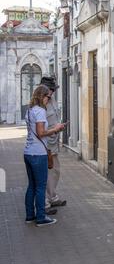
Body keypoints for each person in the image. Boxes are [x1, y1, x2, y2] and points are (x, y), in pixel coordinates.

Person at [24, 85, 65, 226]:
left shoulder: (29, 111)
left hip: (28, 152)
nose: (49, 99)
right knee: (41, 186)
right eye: (48, 96)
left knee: (32, 186)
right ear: (42, 96)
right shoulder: (40, 111)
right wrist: (55, 129)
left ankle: (30, 215)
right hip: (38, 153)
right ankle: (41, 217)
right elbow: (41, 133)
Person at [40, 76, 67, 211]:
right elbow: (39, 129)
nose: (52, 92)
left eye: (53, 89)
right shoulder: (40, 104)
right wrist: (54, 129)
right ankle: (44, 203)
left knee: (55, 171)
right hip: (45, 145)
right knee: (45, 173)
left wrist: (58, 127)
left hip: (53, 143)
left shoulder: (52, 100)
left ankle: (52, 197)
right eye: (50, 89)